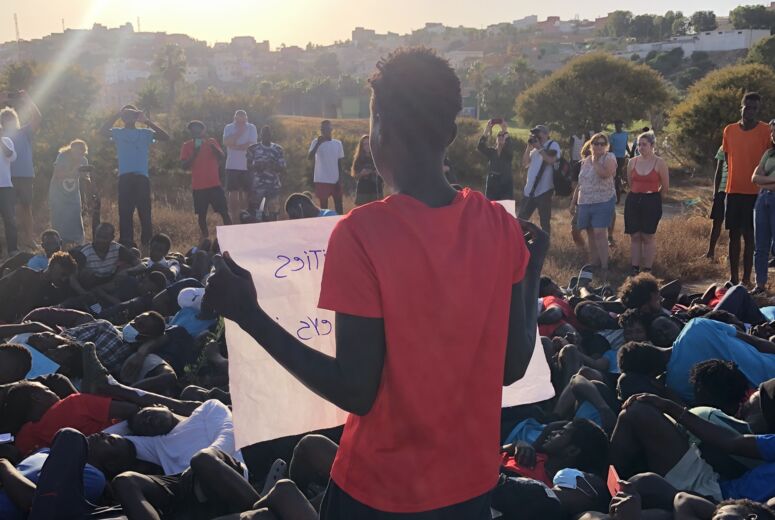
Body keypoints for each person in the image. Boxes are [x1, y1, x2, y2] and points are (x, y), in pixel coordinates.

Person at [203, 48, 548, 518]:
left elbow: (356, 391)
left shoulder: (362, 233)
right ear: (450, 132)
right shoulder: (499, 227)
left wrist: (249, 315)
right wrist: (531, 273)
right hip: (470, 488)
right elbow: (512, 368)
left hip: (380, 493)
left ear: (379, 127)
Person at [100, 105, 169, 251]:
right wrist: (116, 115)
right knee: (125, 212)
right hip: (125, 177)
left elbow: (166, 137)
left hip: (141, 178)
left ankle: (147, 242)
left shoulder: (145, 133)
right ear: (122, 117)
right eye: (126, 114)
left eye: (132, 114)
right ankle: (127, 243)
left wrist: (147, 121)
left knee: (145, 211)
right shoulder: (117, 132)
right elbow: (102, 131)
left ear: (137, 117)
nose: (129, 117)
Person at [721, 92, 772, 286]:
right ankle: (733, 278)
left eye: (754, 108)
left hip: (756, 192)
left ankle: (746, 279)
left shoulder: (766, 130)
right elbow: (727, 158)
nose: (750, 111)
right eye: (747, 106)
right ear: (741, 106)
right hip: (733, 189)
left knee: (750, 236)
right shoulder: (729, 130)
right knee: (733, 235)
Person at [570, 133, 617, 283]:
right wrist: (573, 201)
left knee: (599, 233)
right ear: (591, 144)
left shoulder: (609, 158)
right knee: (590, 232)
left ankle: (604, 266)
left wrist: (596, 160)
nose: (598, 146)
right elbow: (581, 183)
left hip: (603, 200)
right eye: (596, 143)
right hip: (585, 201)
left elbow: (604, 174)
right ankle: (594, 263)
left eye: (602, 143)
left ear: (607, 146)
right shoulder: (585, 161)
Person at [0, 91, 41, 251]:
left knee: (26, 207)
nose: (8, 121)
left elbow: (37, 118)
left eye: (10, 118)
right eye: (5, 118)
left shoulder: (24, 132)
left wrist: (28, 100)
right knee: (11, 212)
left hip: (25, 175)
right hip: (7, 179)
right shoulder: (2, 136)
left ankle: (29, 239)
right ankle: (12, 243)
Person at [625, 131, 670, 274]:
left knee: (647, 235)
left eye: (644, 144)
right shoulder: (632, 161)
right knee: (635, 235)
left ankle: (647, 269)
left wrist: (655, 199)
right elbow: (630, 181)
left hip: (651, 200)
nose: (640, 147)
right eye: (639, 144)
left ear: (652, 145)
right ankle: (635, 267)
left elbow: (665, 186)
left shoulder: (659, 162)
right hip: (633, 199)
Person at [179, 120, 231, 240]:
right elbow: (183, 166)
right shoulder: (187, 145)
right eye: (192, 129)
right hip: (199, 187)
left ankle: (230, 237)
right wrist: (194, 154)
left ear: (203, 130)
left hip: (215, 185)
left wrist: (215, 149)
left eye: (198, 129)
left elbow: (222, 157)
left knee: (224, 212)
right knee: (201, 216)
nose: (195, 131)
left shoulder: (211, 142)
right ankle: (205, 238)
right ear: (190, 132)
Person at [0, 251, 76, 323]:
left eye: (67, 276)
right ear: (54, 266)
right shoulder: (23, 274)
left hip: (16, 329)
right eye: (63, 274)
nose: (64, 279)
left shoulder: (53, 295)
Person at [49, 140, 91, 246]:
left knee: (76, 215)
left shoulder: (84, 160)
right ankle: (58, 241)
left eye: (81, 153)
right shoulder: (62, 156)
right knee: (59, 216)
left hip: (73, 192)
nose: (79, 155)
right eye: (76, 152)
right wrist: (73, 171)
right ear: (71, 149)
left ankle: (78, 241)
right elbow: (58, 174)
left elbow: (85, 179)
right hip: (58, 191)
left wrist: (86, 178)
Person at [519, 125, 560, 235]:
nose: (536, 135)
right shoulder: (534, 149)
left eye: (538, 133)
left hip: (544, 190)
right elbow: (525, 164)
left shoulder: (553, 145)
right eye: (534, 133)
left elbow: (551, 160)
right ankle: (529, 243)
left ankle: (544, 247)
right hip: (529, 191)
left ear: (546, 134)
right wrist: (528, 147)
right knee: (521, 220)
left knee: (544, 222)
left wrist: (540, 148)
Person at [751, 119, 775, 294]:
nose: (773, 135)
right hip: (763, 199)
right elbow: (754, 177)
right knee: (760, 245)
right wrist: (770, 182)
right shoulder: (769, 153)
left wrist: (763, 181)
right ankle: (760, 284)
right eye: (772, 132)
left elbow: (761, 179)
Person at [223, 110, 259, 224]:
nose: (241, 121)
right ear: (235, 118)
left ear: (246, 118)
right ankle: (235, 218)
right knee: (232, 193)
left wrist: (236, 146)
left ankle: (246, 216)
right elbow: (227, 142)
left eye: (243, 119)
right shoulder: (228, 127)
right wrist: (239, 132)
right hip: (232, 164)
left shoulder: (252, 127)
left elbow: (252, 145)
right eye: (238, 119)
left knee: (247, 193)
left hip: (248, 165)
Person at [246, 124, 286, 221]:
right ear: (260, 135)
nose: (266, 136)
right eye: (264, 134)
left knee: (272, 212)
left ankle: (272, 230)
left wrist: (272, 166)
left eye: (268, 134)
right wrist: (257, 166)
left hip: (273, 185)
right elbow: (248, 166)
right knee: (256, 212)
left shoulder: (278, 149)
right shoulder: (253, 148)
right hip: (257, 185)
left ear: (271, 135)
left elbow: (283, 167)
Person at [308, 120, 345, 215]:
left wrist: (340, 180)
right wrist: (318, 144)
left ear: (331, 129)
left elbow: (340, 163)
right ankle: (324, 227)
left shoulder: (338, 143)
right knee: (324, 209)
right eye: (322, 129)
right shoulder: (316, 142)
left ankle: (340, 226)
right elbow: (310, 157)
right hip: (321, 180)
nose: (324, 131)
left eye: (326, 128)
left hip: (335, 181)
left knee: (339, 207)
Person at [478, 119, 514, 200]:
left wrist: (505, 130)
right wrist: (486, 130)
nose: (501, 137)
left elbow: (510, 148)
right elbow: (480, 147)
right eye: (499, 135)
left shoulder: (508, 152)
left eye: (503, 136)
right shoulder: (491, 152)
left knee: (506, 209)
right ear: (496, 140)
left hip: (506, 183)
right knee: (490, 208)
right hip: (492, 183)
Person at [706, 144, 728, 260]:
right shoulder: (723, 146)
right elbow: (718, 171)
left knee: (735, 227)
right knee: (716, 222)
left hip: (736, 190)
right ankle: (710, 252)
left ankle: (731, 255)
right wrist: (715, 192)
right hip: (721, 190)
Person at [351, 134, 383, 206]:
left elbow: (385, 174)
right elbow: (354, 175)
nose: (367, 146)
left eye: (368, 143)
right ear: (361, 146)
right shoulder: (359, 158)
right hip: (363, 191)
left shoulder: (378, 156)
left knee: (377, 212)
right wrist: (362, 174)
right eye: (365, 144)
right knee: (363, 214)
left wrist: (379, 173)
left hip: (376, 190)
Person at [0, 130, 17, 258]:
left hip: (5, 187)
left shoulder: (7, 141)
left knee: (9, 220)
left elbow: (11, 156)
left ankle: (12, 250)